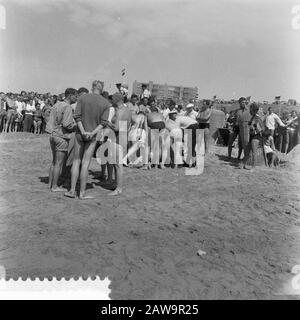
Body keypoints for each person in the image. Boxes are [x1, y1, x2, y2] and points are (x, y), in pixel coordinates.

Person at [65, 80, 113, 200]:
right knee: (85, 164)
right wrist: (91, 133)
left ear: (92, 87)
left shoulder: (82, 98)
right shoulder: (106, 103)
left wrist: (83, 131)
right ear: (102, 89)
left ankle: (71, 190)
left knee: (76, 162)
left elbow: (77, 116)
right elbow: (104, 123)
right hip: (92, 135)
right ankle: (82, 193)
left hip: (80, 134)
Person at [100, 92, 132, 196]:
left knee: (118, 165)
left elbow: (116, 128)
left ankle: (119, 189)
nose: (111, 100)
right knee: (116, 163)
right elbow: (129, 125)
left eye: (112, 99)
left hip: (118, 138)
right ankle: (116, 184)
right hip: (123, 136)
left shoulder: (119, 111)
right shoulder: (127, 110)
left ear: (117, 100)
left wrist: (106, 122)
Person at [46, 88, 77, 192]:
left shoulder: (57, 104)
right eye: (75, 96)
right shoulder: (67, 107)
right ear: (70, 95)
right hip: (62, 136)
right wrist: (76, 126)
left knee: (54, 162)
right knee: (59, 163)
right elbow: (67, 124)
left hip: (53, 135)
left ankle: (50, 184)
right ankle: (55, 186)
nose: (76, 98)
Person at [242, 103, 264, 170]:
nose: (250, 112)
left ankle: (253, 167)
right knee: (247, 152)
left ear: (254, 111)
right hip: (252, 136)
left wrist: (254, 128)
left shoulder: (257, 118)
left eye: (251, 111)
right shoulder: (252, 118)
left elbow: (262, 129)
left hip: (256, 136)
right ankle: (243, 164)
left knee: (254, 152)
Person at [236, 97, 251, 163]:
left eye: (245, 102)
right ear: (239, 103)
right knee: (242, 143)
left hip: (247, 128)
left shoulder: (248, 110)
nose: (244, 104)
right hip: (241, 128)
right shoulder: (238, 111)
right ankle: (243, 157)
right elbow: (238, 120)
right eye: (242, 102)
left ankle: (246, 158)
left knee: (246, 143)